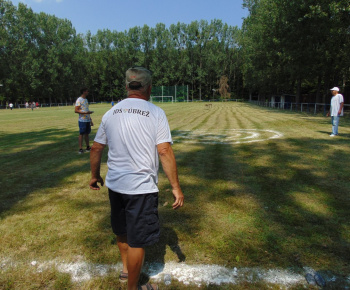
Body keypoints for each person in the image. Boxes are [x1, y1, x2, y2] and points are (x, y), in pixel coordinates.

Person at [89, 67, 184, 290]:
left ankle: (126, 270)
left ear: (126, 87)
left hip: (115, 186)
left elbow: (95, 148)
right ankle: (133, 287)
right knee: (137, 240)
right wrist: (176, 188)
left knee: (121, 231)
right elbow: (164, 151)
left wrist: (94, 176)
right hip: (141, 188)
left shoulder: (110, 113)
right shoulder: (156, 112)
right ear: (149, 88)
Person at [75, 88, 94, 154]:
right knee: (81, 134)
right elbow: (76, 110)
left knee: (87, 134)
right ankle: (80, 149)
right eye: (87, 91)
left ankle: (88, 147)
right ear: (83, 92)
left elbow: (87, 110)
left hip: (87, 120)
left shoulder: (86, 100)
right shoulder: (79, 99)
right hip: (82, 120)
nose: (88, 92)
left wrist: (90, 120)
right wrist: (85, 112)